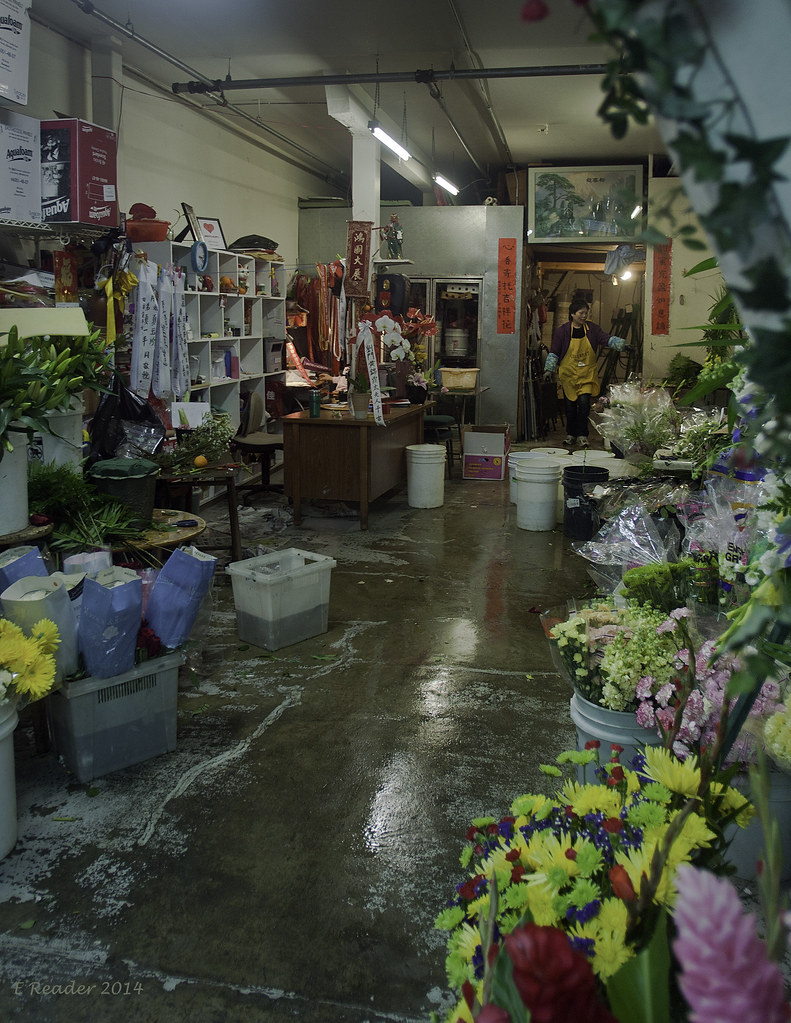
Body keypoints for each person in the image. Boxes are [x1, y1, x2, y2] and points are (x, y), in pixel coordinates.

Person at [543, 298, 626, 448]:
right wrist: (549, 369)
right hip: (569, 376)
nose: (584, 316)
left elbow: (605, 339)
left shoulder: (593, 329)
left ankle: (582, 435)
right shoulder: (562, 331)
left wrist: (623, 345)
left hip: (587, 375)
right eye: (581, 313)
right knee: (570, 407)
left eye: (585, 313)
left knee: (584, 404)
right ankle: (570, 434)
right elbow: (554, 351)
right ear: (573, 314)